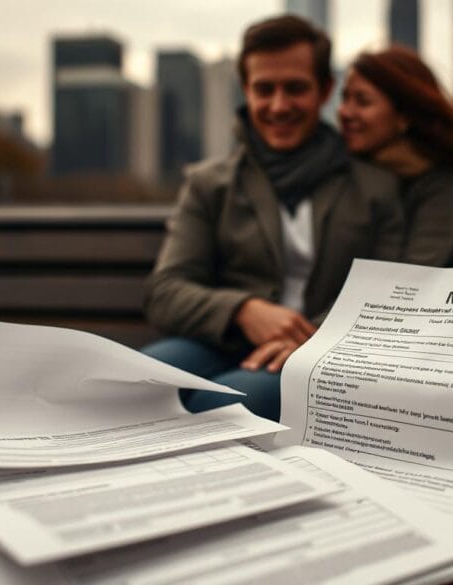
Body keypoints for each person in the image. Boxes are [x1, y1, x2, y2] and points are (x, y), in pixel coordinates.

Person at [142, 15, 403, 421]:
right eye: (264, 89)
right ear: (245, 90)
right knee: (132, 389)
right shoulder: (210, 184)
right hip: (222, 340)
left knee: (223, 407)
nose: (279, 105)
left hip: (323, 353)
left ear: (325, 91)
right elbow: (165, 291)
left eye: (295, 88)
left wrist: (315, 335)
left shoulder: (376, 188)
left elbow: (390, 293)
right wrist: (243, 310)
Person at [338, 45, 453, 266]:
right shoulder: (334, 165)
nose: (345, 112)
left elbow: (418, 270)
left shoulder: (438, 178)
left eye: (363, 101)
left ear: (404, 115)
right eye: (344, 98)